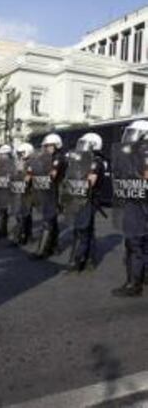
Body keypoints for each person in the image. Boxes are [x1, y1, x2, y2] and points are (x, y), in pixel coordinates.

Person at [111, 121, 148, 297]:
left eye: (133, 133)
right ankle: (142, 276)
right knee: (141, 241)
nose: (129, 136)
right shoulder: (134, 154)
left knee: (134, 242)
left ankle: (134, 284)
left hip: (140, 204)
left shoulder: (145, 154)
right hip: (133, 202)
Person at [65, 133, 107, 272]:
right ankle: (89, 260)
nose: (81, 148)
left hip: (88, 198)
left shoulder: (95, 161)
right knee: (86, 229)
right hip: (79, 197)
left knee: (82, 229)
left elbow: (90, 182)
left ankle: (77, 261)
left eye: (84, 144)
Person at [28, 133, 66, 259]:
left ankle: (42, 250)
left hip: (55, 192)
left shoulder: (58, 158)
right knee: (52, 220)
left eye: (49, 146)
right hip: (47, 191)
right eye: (45, 146)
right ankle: (54, 246)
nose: (46, 148)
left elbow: (52, 175)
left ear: (56, 145)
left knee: (47, 221)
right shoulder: (47, 158)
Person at [9, 142, 34, 247]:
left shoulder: (31, 163)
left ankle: (20, 236)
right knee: (23, 214)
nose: (20, 155)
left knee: (23, 214)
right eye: (19, 153)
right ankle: (27, 235)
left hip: (28, 191)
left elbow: (28, 178)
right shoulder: (19, 162)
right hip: (19, 190)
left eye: (22, 153)